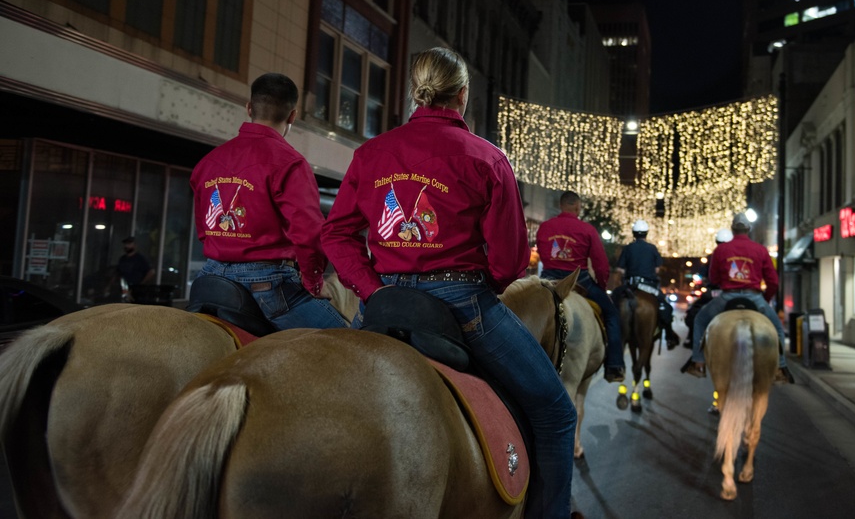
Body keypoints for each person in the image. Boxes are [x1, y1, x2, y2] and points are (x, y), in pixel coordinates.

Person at [321, 48, 580, 519]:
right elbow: (509, 262)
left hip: (384, 302)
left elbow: (336, 233)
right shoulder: (487, 158)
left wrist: (373, 290)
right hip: (462, 304)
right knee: (557, 415)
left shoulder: (371, 153)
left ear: (414, 92)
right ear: (463, 94)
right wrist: (485, 284)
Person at [190, 73, 348, 331]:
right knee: (347, 344)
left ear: (249, 108)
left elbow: (203, 230)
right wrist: (313, 281)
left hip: (210, 280)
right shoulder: (290, 163)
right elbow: (308, 234)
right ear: (292, 116)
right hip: (267, 286)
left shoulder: (207, 162)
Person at [682, 212, 794, 384]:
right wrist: (765, 298)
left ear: (733, 229)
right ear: (748, 229)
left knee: (700, 319)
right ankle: (780, 367)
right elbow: (773, 281)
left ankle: (698, 362)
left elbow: (713, 278)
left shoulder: (721, 250)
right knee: (778, 328)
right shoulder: (761, 250)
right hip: (754, 297)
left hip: (727, 297)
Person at [537, 191, 626, 382]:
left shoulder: (545, 227)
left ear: (561, 205)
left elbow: (544, 256)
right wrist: (601, 287)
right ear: (577, 207)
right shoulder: (587, 229)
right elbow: (601, 265)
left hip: (548, 280)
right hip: (579, 280)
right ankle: (615, 365)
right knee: (611, 314)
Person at [615, 219, 676, 347]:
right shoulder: (652, 248)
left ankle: (610, 336)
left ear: (633, 233)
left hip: (630, 285)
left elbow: (620, 269)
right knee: (665, 307)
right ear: (646, 233)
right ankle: (670, 336)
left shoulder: (627, 248)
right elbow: (657, 268)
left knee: (613, 303)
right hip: (649, 286)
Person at [683, 228, 732, 347]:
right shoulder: (735, 255)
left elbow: (706, 275)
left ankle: (693, 343)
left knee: (694, 313)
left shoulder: (713, 256)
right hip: (733, 292)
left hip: (714, 292)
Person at [108, 236, 154, 301]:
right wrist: (109, 285)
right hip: (123, 288)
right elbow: (117, 273)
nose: (127, 246)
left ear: (134, 245)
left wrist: (141, 284)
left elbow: (151, 272)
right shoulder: (122, 259)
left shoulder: (140, 259)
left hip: (135, 289)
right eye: (125, 244)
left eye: (129, 244)